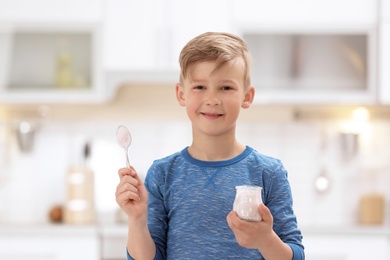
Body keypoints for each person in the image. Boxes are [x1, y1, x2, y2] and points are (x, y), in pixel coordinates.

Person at [115, 32, 305, 260]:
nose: (212, 99)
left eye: (226, 88)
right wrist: (136, 219)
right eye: (200, 87)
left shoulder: (269, 172)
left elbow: (295, 256)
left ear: (247, 96)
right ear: (181, 94)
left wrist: (265, 240)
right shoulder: (163, 173)